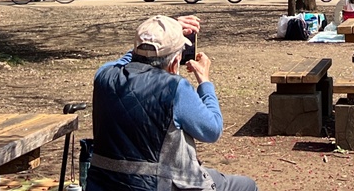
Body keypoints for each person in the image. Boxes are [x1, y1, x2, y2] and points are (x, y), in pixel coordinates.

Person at [88, 14, 256, 191]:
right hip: (160, 185)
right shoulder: (174, 87)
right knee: (246, 185)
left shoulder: (103, 76)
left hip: (102, 184)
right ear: (175, 62)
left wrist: (155, 37)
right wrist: (205, 81)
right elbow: (212, 130)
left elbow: (125, 60)